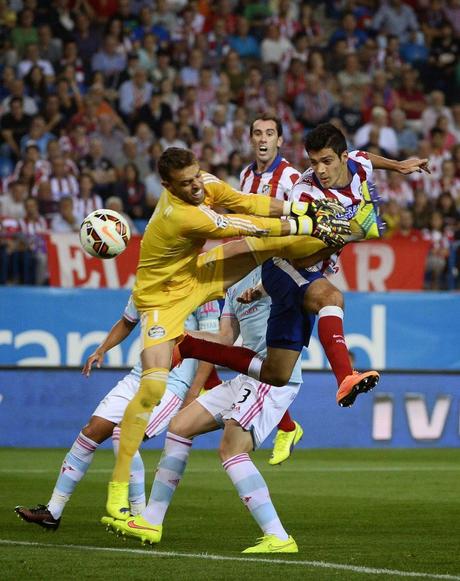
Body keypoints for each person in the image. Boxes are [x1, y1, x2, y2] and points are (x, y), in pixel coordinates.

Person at [104, 146, 352, 521]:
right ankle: (119, 487)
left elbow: (247, 203)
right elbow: (243, 224)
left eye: (196, 176)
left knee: (265, 246)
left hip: (198, 274)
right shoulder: (180, 215)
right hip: (162, 299)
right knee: (153, 385)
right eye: (185, 184)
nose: (195, 187)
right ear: (167, 186)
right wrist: (306, 220)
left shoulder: (203, 185)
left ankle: (337, 237)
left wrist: (296, 209)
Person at [174, 123, 430, 406]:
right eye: (314, 162)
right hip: (288, 264)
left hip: (299, 274)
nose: (320, 170)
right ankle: (345, 377)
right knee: (331, 297)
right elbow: (296, 256)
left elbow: (366, 158)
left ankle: (188, 345)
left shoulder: (356, 165)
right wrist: (338, 240)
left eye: (327, 161)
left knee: (276, 372)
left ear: (344, 157)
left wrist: (399, 165)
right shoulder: (307, 195)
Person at [108, 268, 303, 553]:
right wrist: (181, 334)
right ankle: (151, 520)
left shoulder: (276, 270)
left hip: (273, 377)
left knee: (231, 449)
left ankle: (279, 537)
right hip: (248, 377)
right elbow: (225, 338)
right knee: (180, 425)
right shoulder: (234, 286)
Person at [15, 296, 221, 529]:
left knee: (124, 433)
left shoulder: (198, 289)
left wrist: (193, 392)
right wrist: (101, 349)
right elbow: (127, 322)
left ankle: (139, 517)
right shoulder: (147, 283)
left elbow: (212, 346)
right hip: (138, 377)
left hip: (170, 385)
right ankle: (53, 511)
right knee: (90, 432)